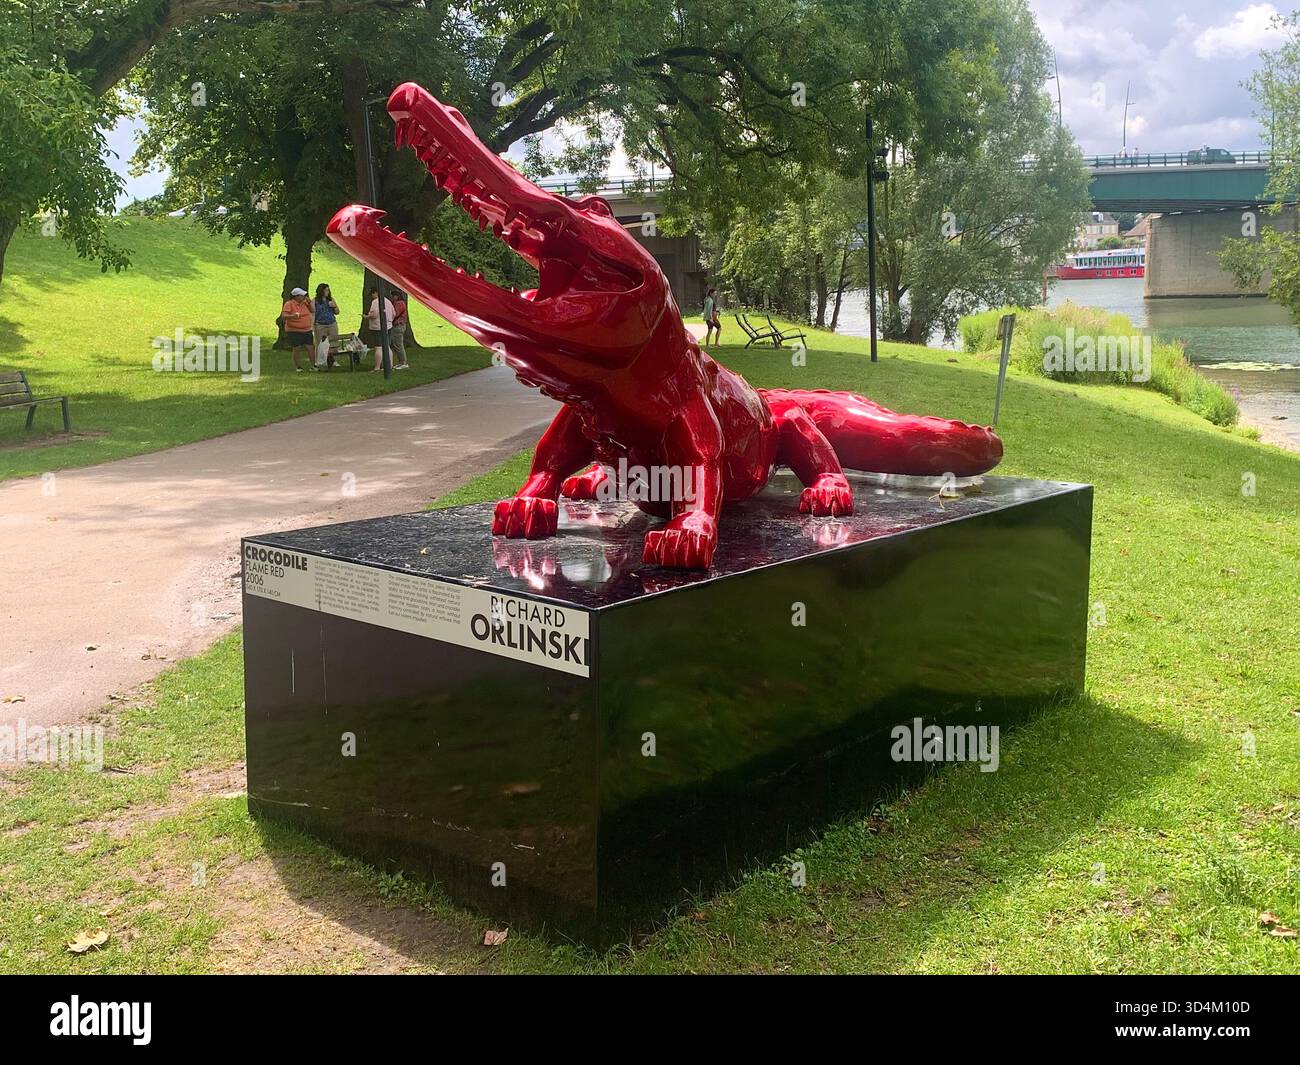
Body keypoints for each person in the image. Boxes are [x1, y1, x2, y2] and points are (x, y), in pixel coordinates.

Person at [280, 287, 315, 371]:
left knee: (310, 347)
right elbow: (284, 316)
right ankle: (298, 366)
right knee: (297, 348)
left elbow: (312, 311)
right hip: (294, 330)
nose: (304, 297)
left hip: (307, 329)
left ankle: (313, 365)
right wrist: (293, 316)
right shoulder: (289, 304)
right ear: (296, 296)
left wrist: (309, 303)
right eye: (302, 295)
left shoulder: (305, 303)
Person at [364, 288, 397, 372]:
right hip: (388, 326)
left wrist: (367, 316)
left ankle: (377, 367)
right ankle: (390, 365)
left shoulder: (375, 302)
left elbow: (374, 314)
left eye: (372, 295)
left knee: (378, 347)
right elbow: (394, 313)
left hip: (377, 327)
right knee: (387, 346)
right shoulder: (388, 301)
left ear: (375, 293)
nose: (372, 297)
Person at [313, 283, 340, 365]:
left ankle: (333, 360)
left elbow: (337, 312)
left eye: (328, 290)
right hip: (320, 324)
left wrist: (334, 306)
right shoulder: (315, 301)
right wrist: (313, 325)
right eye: (325, 290)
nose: (327, 292)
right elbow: (313, 314)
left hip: (331, 323)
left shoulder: (331, 299)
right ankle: (319, 361)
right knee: (320, 343)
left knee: (333, 342)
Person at [390, 289, 410, 370]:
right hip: (397, 326)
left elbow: (395, 313)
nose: (392, 297)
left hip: (399, 326)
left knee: (398, 345)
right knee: (396, 345)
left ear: (397, 296)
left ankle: (403, 362)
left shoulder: (400, 303)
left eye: (393, 296)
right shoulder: (397, 303)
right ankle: (401, 362)